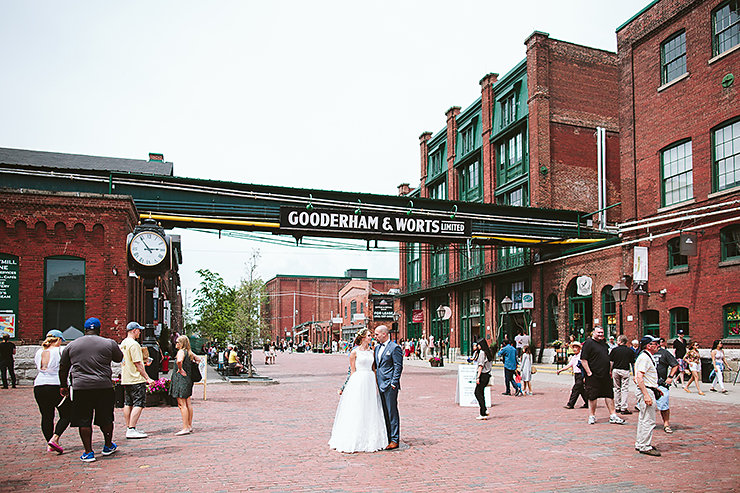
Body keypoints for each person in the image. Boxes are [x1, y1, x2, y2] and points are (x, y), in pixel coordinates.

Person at [58, 317, 124, 462]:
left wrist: (63, 385)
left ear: (85, 329)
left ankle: (88, 452)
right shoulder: (109, 343)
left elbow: (63, 367)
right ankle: (107, 445)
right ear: (99, 329)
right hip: (103, 386)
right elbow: (119, 358)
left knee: (84, 420)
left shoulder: (72, 345)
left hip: (81, 387)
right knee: (106, 417)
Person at [328, 328, 389, 453]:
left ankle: (371, 438)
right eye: (368, 335)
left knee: (370, 409)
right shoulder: (354, 353)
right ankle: (356, 438)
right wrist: (345, 387)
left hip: (370, 381)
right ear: (362, 338)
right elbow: (352, 371)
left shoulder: (372, 352)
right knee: (358, 408)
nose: (371, 337)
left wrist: (378, 385)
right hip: (359, 381)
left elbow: (374, 369)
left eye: (371, 335)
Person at [33, 329, 71, 454]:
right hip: (55, 384)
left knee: (46, 416)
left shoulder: (39, 351)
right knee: (67, 414)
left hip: (39, 385)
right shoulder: (60, 350)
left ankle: (49, 442)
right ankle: (55, 438)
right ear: (59, 340)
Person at [580, 326, 625, 425]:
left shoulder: (604, 344)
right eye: (598, 332)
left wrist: (609, 371)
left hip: (605, 374)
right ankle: (592, 416)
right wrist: (589, 373)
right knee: (592, 396)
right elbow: (583, 359)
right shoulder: (588, 343)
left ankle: (613, 415)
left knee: (609, 394)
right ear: (593, 333)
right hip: (593, 375)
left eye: (602, 332)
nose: (600, 334)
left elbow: (608, 359)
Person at [120, 321, 155, 439]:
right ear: (134, 331)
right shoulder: (134, 345)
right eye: (139, 330)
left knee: (128, 403)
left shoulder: (123, 343)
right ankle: (131, 428)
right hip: (136, 378)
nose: (140, 332)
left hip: (126, 377)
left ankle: (129, 426)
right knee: (139, 403)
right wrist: (147, 378)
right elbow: (137, 363)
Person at [374, 324, 403, 449]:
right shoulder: (376, 348)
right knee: (384, 412)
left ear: (384, 334)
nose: (375, 336)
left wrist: (393, 383)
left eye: (377, 334)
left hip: (389, 385)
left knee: (392, 412)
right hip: (380, 384)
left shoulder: (395, 348)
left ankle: (395, 439)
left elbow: (398, 366)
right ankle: (387, 436)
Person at [634, 335, 661, 456]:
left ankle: (641, 442)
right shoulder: (645, 358)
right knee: (649, 419)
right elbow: (639, 377)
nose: (658, 346)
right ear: (648, 346)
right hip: (646, 390)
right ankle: (645, 445)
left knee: (643, 418)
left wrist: (655, 388)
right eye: (655, 344)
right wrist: (646, 395)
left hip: (649, 389)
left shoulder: (646, 357)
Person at [169, 335, 202, 435]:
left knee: (181, 404)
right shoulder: (189, 352)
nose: (176, 344)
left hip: (181, 380)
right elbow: (199, 359)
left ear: (182, 343)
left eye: (178, 342)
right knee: (188, 403)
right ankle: (189, 425)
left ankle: (185, 427)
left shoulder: (181, 352)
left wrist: (180, 369)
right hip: (188, 380)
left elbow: (179, 361)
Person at [654, 337, 679, 434]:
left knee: (664, 405)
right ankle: (649, 424)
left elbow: (675, 365)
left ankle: (666, 424)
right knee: (646, 406)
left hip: (661, 383)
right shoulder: (645, 353)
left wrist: (670, 377)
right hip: (648, 384)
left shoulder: (664, 353)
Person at [557, 341, 588, 409]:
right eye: (573, 347)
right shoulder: (574, 357)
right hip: (576, 375)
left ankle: (570, 404)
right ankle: (588, 402)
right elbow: (569, 365)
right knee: (581, 390)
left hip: (581, 374)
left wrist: (585, 376)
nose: (574, 349)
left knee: (575, 389)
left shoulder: (581, 356)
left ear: (579, 348)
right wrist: (560, 370)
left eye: (576, 347)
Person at [610, 335, 635, 415]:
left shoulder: (614, 350)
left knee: (617, 388)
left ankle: (617, 406)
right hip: (625, 370)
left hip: (616, 370)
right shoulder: (630, 351)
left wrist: (610, 371)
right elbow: (633, 363)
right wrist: (634, 373)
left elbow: (611, 362)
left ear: (620, 341)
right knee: (624, 389)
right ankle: (623, 407)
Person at [474, 338, 493, 419]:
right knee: (481, 393)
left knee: (477, 393)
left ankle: (483, 412)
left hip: (483, 375)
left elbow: (481, 366)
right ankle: (484, 411)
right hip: (487, 375)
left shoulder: (482, 353)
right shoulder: (488, 352)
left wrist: (478, 377)